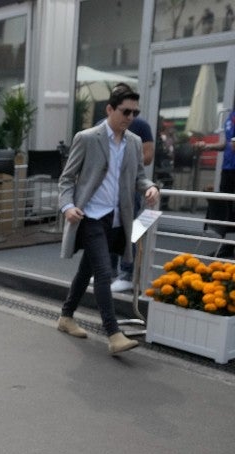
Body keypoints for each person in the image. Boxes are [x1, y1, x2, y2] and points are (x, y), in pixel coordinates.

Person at [57, 83, 160, 355]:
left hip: (116, 220)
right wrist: (67, 206)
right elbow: (66, 179)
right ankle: (113, 333)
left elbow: (139, 176)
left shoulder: (134, 143)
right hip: (89, 216)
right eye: (125, 111)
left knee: (87, 270)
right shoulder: (88, 137)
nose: (130, 118)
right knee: (104, 272)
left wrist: (149, 187)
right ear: (110, 109)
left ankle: (66, 316)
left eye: (135, 113)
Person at [108, 113, 154, 292]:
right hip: (109, 188)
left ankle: (127, 273)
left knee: (131, 230)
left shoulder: (140, 125)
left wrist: (124, 159)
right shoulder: (102, 126)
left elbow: (148, 156)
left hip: (131, 186)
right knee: (109, 227)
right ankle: (108, 269)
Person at [196, 107, 235, 258]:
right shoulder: (231, 114)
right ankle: (227, 247)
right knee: (228, 210)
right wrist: (208, 146)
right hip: (228, 168)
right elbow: (227, 143)